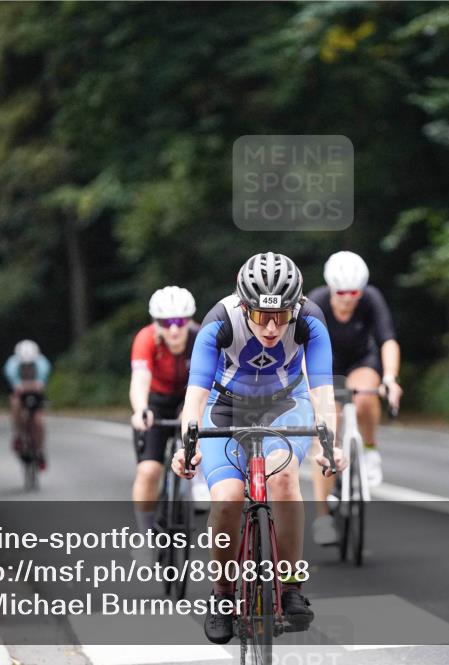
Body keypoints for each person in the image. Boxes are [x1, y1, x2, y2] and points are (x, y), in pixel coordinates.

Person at [171, 251, 346, 644]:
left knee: (284, 479)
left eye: (281, 316)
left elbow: (321, 391)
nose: (270, 327)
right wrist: (187, 446)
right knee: (228, 499)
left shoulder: (310, 320)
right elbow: (195, 398)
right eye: (260, 316)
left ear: (295, 307)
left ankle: (290, 587)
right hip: (226, 405)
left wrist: (329, 443)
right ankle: (221, 595)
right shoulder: (219, 321)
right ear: (243, 305)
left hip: (285, 402)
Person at [306, 251, 402, 545]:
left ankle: (370, 449)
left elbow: (387, 340)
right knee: (326, 430)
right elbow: (302, 349)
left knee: (364, 398)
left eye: (354, 292)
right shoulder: (317, 302)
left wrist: (390, 378)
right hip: (327, 365)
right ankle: (323, 516)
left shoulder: (371, 298)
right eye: (342, 292)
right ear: (332, 289)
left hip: (361, 359)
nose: (348, 298)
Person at [129, 286, 206, 545]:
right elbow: (140, 379)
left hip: (189, 397)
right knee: (149, 471)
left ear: (189, 320)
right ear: (156, 322)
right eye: (166, 322)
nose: (174, 329)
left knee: (198, 419)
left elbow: (210, 383)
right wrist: (141, 409)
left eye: (180, 321)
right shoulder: (146, 338)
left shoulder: (200, 338)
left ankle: (199, 479)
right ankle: (144, 535)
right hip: (157, 403)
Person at [3, 340, 52, 469]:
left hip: (35, 393)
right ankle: (18, 435)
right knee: (15, 404)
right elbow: (15, 385)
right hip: (20, 393)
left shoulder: (42, 364)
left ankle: (40, 450)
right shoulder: (12, 365)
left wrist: (34, 385)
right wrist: (22, 386)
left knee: (39, 421)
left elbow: (40, 385)